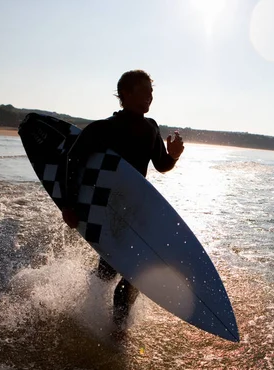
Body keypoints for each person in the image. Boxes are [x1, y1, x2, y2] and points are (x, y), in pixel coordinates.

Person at [61, 70, 184, 329]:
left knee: (133, 278)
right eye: (144, 91)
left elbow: (161, 164)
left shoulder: (151, 128)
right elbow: (73, 161)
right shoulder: (104, 128)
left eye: (152, 92)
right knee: (106, 273)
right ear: (125, 93)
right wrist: (69, 205)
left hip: (137, 214)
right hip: (110, 213)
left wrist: (172, 156)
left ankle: (116, 334)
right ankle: (91, 316)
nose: (150, 97)